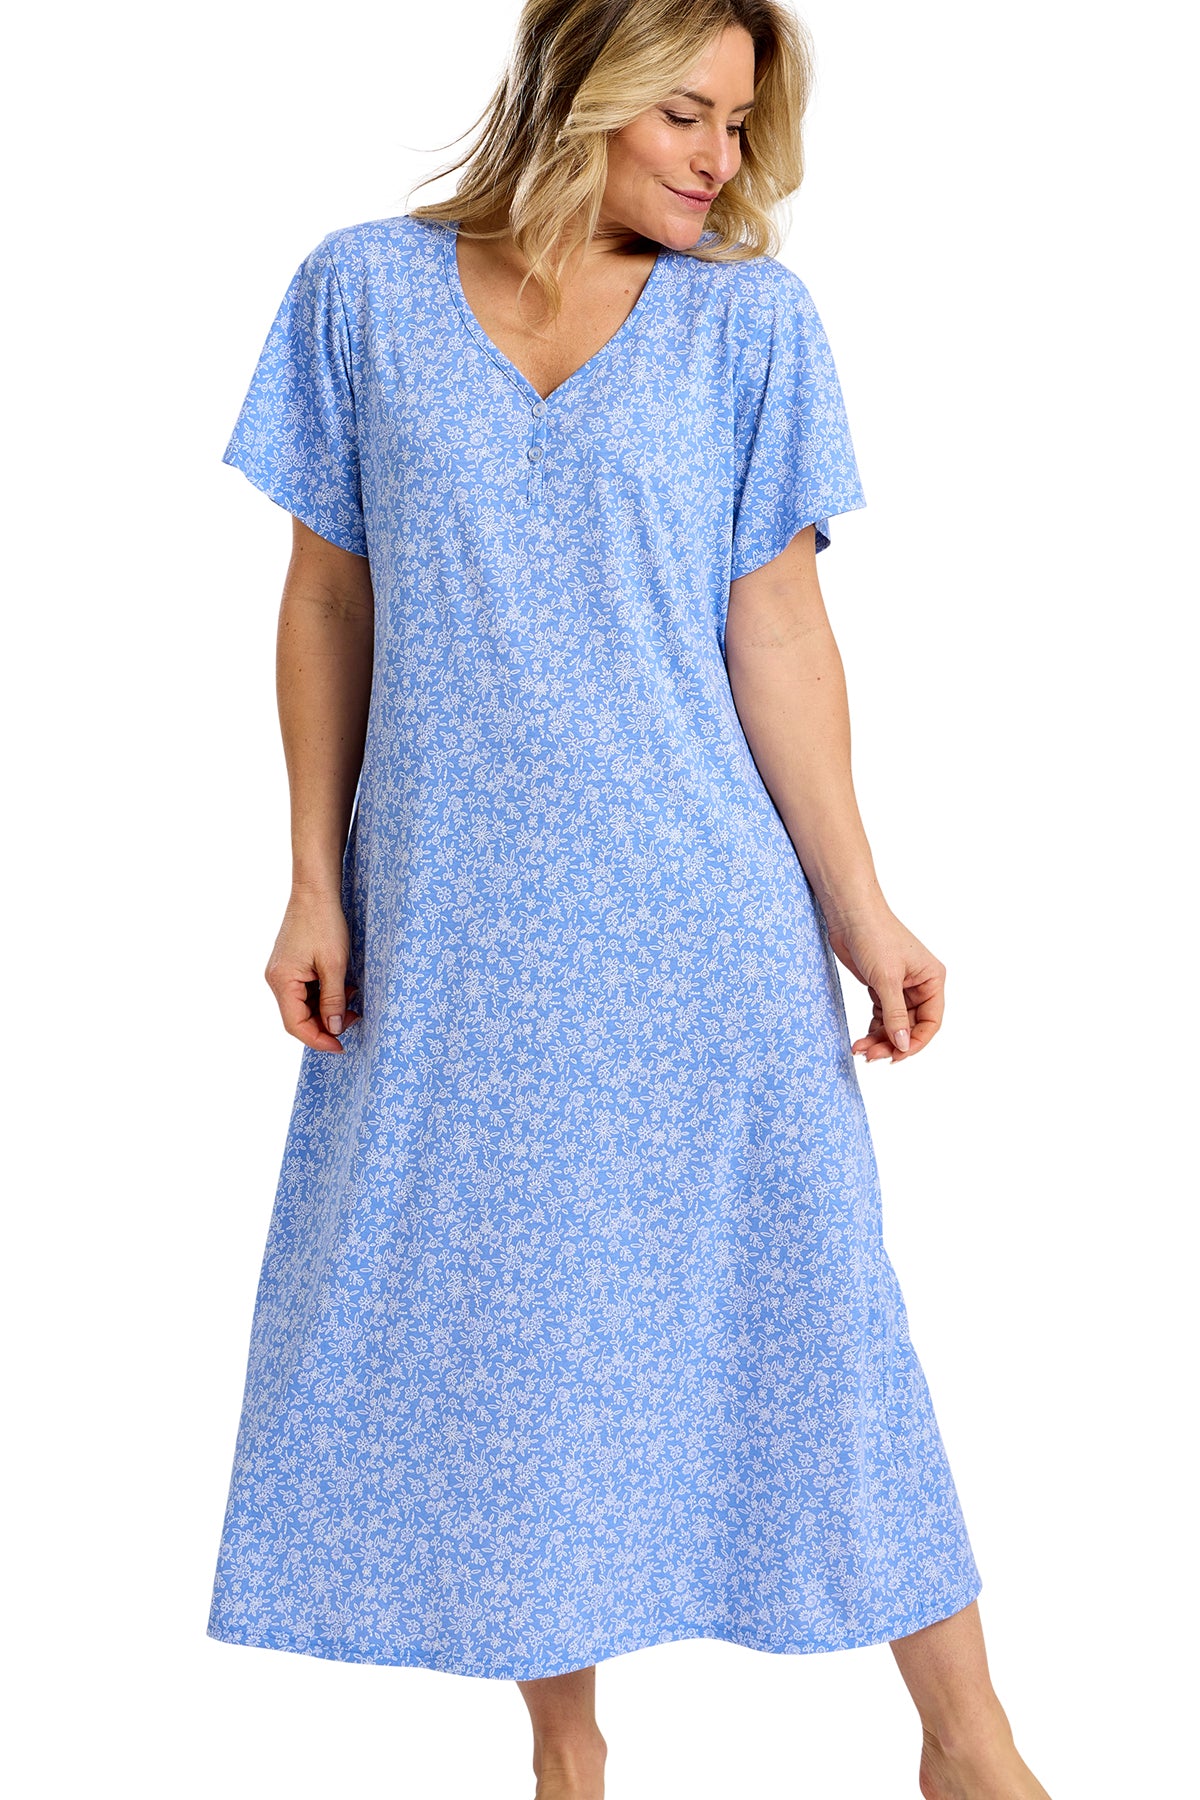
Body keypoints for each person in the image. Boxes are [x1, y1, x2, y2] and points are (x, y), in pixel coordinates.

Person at [207, 2, 1053, 1795]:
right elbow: (329, 600)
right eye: (685, 113)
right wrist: (310, 878)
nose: (718, 160)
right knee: (524, 1338)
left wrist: (862, 907)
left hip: (701, 925)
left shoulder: (752, 325)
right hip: (457, 930)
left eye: (738, 126)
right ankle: (568, 1758)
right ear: (574, 88)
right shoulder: (360, 296)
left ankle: (968, 1746)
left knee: (823, 1313)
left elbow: (781, 633)